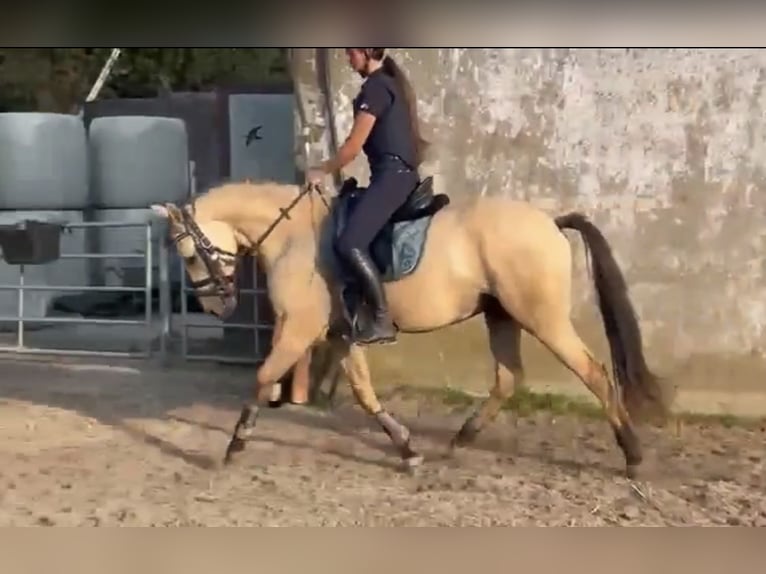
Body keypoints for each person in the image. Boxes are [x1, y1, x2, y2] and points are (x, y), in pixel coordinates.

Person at [308, 48, 429, 346]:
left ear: (365, 52)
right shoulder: (389, 84)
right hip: (390, 177)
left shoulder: (376, 88)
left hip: (392, 178)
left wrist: (321, 170)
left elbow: (351, 147)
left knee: (349, 241)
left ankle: (381, 319)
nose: (348, 60)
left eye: (351, 53)